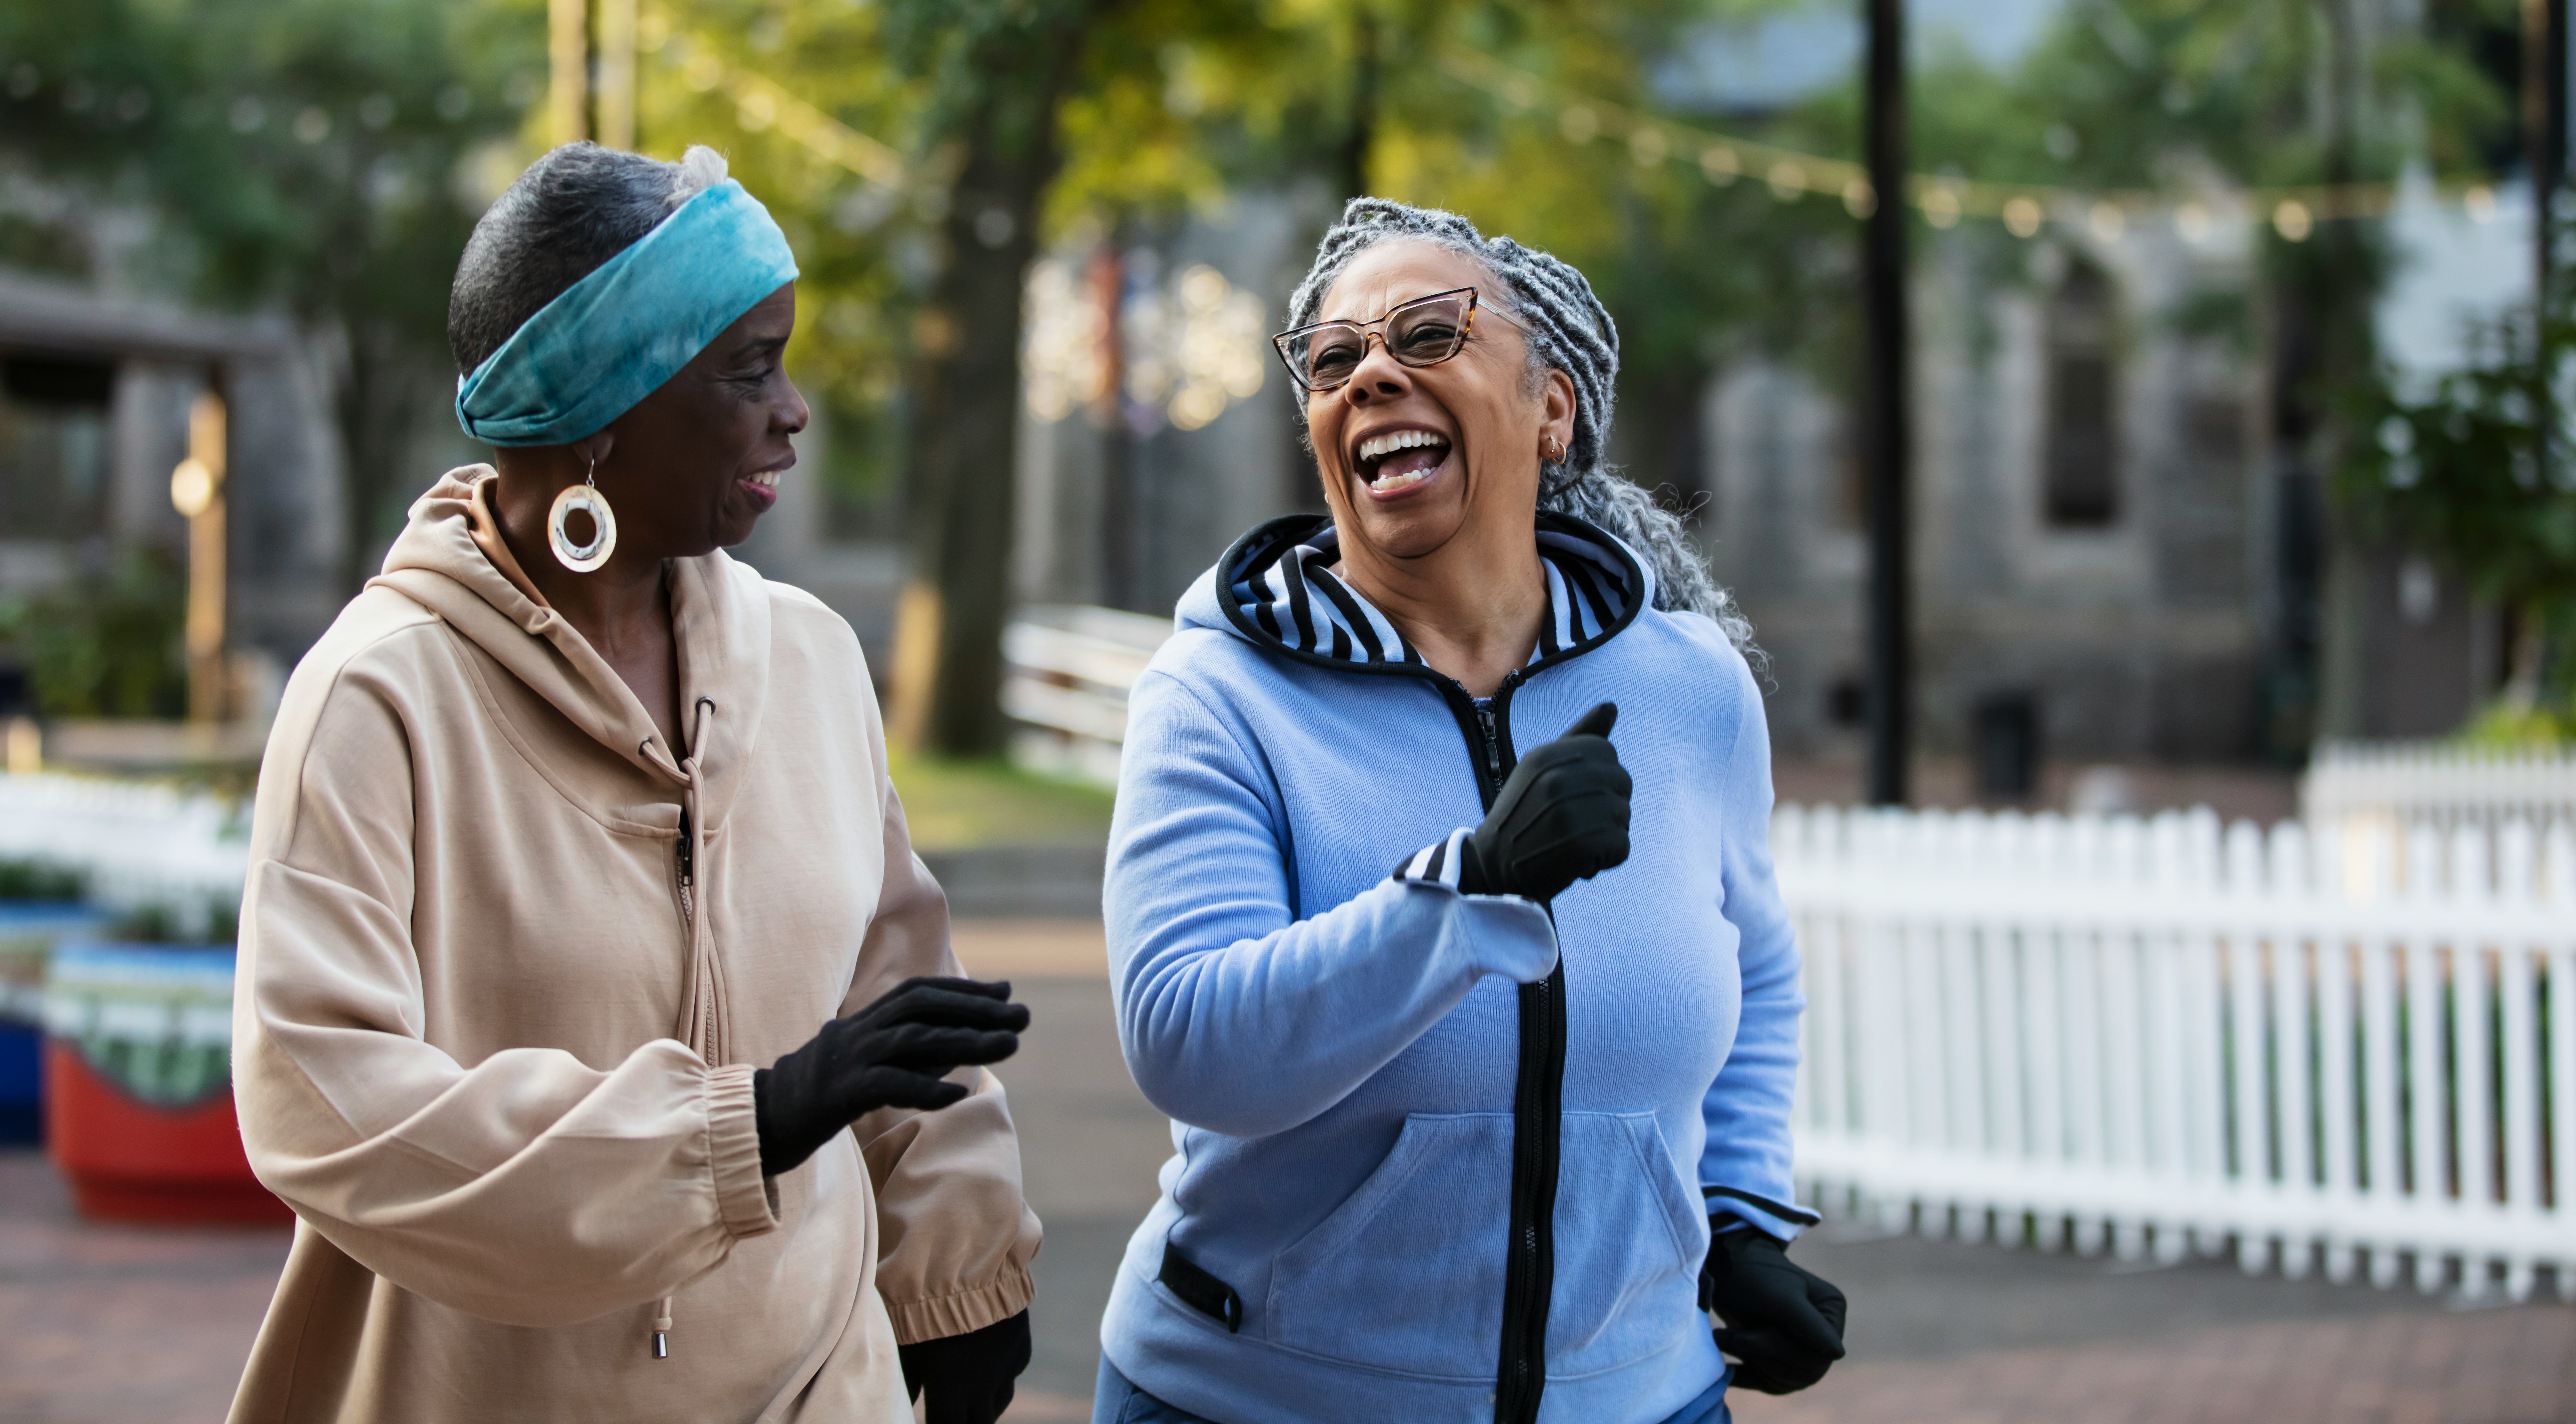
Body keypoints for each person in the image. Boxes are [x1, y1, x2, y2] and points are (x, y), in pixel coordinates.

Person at [228, 144, 1038, 1424]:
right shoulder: (379, 696)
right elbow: (326, 1100)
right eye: (747, 368)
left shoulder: (813, 658)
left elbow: (895, 986)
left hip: (821, 1379)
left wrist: (958, 1267)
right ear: (603, 412)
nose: (795, 411)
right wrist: (742, 1124)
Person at [1092, 200, 1847, 1424]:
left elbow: (1755, 972)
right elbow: (1188, 1042)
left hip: (1644, 1399)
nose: (1375, 371)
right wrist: (1469, 888)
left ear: (1552, 410)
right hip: (1261, 1402)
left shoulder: (1690, 685)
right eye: (1335, 360)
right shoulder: (1220, 693)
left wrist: (1743, 1219)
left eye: (1431, 333)